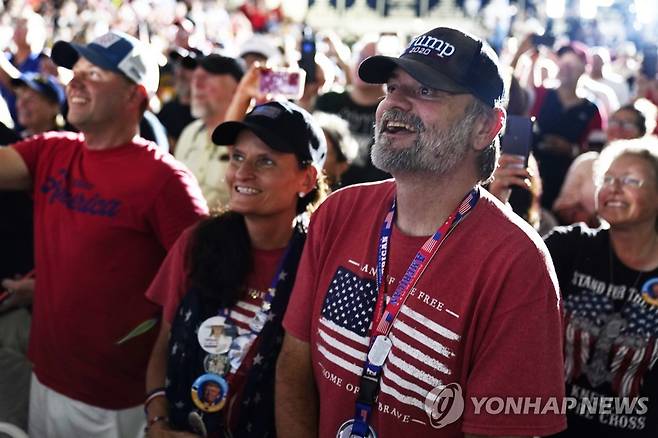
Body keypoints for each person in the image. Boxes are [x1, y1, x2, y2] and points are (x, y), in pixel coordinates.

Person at [276, 26, 566, 437]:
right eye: (393, 87)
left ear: (485, 126)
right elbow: (293, 366)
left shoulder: (518, 262)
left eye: (427, 91)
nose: (395, 103)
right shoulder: (338, 211)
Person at [0, 31, 208, 438]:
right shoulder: (51, 151)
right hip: (47, 378)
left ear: (136, 94)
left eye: (93, 73)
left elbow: (203, 285)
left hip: (117, 401)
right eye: (74, 72)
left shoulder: (165, 180)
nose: (74, 82)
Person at [144, 100, 327, 438]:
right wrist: (158, 423)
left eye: (266, 161)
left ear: (306, 178)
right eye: (237, 157)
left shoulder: (321, 262)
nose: (242, 173)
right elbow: (163, 345)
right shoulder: (197, 243)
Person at [544, 138, 658, 437]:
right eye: (607, 178)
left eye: (631, 180)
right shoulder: (568, 247)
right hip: (553, 427)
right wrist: (501, 198)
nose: (614, 187)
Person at [175, 54, 244, 209]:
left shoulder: (249, 137)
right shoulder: (189, 133)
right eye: (195, 77)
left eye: (207, 77)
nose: (196, 84)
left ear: (237, 88)